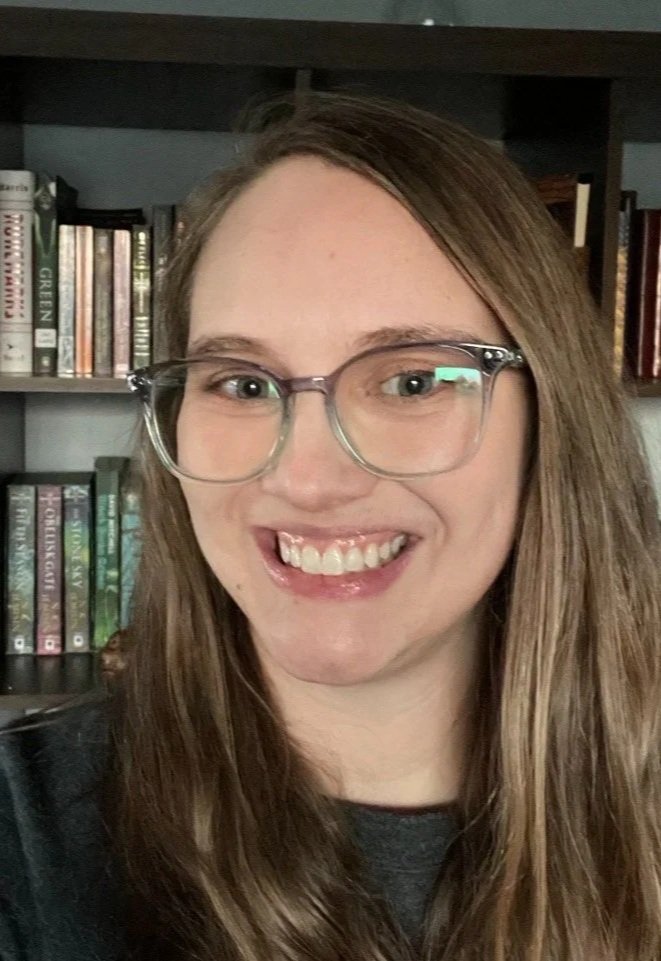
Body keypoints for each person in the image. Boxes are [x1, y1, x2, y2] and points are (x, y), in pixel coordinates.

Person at [1, 91, 660, 961]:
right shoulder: (26, 839)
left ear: (550, 417)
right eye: (240, 383)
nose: (308, 479)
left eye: (411, 381)